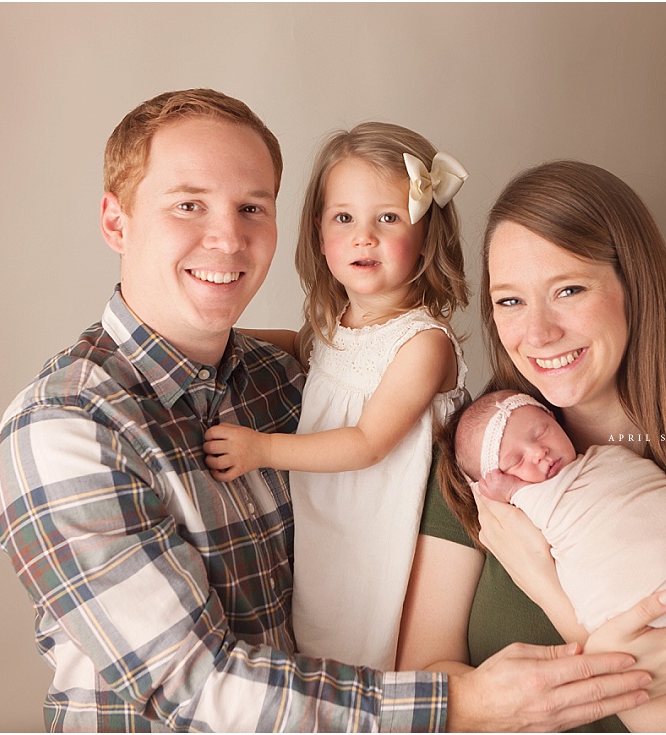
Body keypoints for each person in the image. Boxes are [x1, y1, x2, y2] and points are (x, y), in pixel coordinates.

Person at [0, 90, 660, 732]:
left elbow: (355, 379)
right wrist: (461, 703)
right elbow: (196, 687)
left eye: (252, 207)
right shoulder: (68, 429)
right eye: (188, 205)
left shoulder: (279, 384)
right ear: (115, 221)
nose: (228, 236)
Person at [398, 160, 666, 732]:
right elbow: (422, 689)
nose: (538, 334)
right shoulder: (481, 458)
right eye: (510, 301)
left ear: (635, 289)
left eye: (568, 289)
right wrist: (639, 672)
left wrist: (553, 594)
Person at [202, 122, 471, 670]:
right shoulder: (337, 322)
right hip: (332, 519)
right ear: (319, 233)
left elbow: (369, 443)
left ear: (427, 235)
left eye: (388, 219)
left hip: (384, 521)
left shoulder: (423, 343)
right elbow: (310, 348)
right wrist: (224, 335)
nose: (362, 236)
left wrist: (263, 449)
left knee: (369, 643)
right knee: (321, 640)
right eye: (343, 218)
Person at [448, 388, 666, 637]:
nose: (538, 452)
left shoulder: (607, 456)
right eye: (515, 461)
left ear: (553, 419)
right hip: (653, 596)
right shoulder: (529, 501)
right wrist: (511, 492)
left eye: (541, 432)